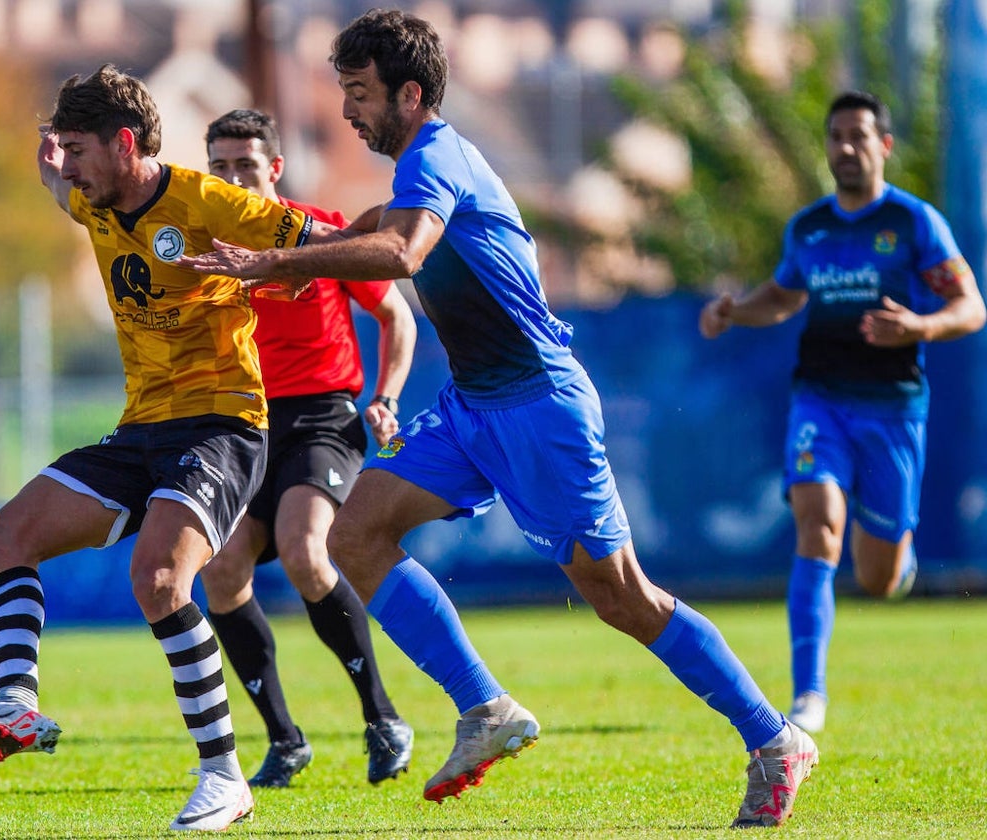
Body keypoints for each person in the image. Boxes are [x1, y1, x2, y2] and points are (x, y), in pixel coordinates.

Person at [181, 8, 819, 828]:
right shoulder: (421, 163)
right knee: (355, 535)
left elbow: (404, 252)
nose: (347, 111)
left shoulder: (439, 155)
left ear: (410, 93)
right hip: (474, 408)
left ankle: (774, 740)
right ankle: (484, 707)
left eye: (360, 94)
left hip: (539, 406)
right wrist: (302, 240)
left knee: (620, 597)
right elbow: (379, 225)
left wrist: (277, 262)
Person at [0, 64, 336, 832]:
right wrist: (51, 171)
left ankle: (225, 778)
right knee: (5, 538)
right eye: (61, 148)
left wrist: (262, 269)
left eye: (78, 149)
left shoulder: (207, 201)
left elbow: (323, 244)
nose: (71, 165)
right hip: (143, 429)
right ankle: (18, 707)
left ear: (125, 144)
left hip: (224, 423)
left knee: (159, 578)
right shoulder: (96, 200)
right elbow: (65, 192)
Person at [699, 90, 985, 734]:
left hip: (892, 410)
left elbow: (972, 307)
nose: (845, 148)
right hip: (820, 401)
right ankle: (809, 695)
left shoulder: (914, 223)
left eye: (858, 136)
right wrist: (736, 310)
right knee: (818, 521)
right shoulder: (809, 227)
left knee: (879, 576)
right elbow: (784, 294)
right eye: (835, 136)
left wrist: (918, 325)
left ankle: (897, 562)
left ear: (884, 145)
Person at [199, 108, 417, 787]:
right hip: (245, 425)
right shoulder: (205, 251)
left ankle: (382, 718)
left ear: (275, 167)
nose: (235, 177)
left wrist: (386, 398)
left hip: (324, 416)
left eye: (245, 164)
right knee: (222, 569)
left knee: (302, 547)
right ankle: (284, 739)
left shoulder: (319, 233)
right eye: (221, 168)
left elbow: (395, 315)